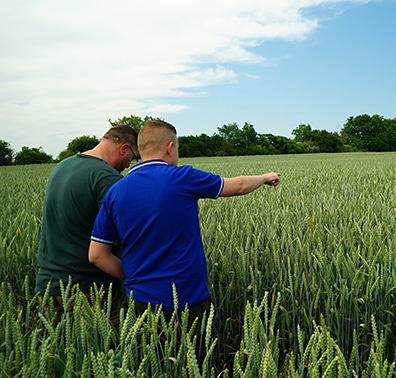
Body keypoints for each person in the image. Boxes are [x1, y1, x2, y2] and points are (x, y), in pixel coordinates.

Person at [88, 119, 280, 356]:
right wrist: (265, 177)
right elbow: (239, 185)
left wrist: (135, 275)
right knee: (196, 362)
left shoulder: (115, 191)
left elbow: (96, 255)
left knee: (154, 364)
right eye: (177, 148)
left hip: (141, 303)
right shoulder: (182, 177)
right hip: (189, 299)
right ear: (169, 147)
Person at [35, 124, 139, 326]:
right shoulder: (107, 178)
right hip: (91, 290)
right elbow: (120, 235)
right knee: (106, 352)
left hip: (49, 285)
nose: (129, 165)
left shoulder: (62, 167)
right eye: (132, 157)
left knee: (59, 352)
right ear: (124, 148)